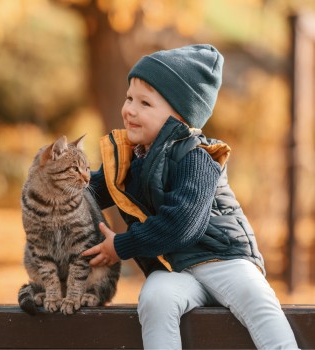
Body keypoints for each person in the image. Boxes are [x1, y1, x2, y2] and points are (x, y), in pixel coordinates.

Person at [82, 44, 299, 349]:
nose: (129, 109)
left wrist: (120, 246)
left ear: (180, 120)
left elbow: (182, 224)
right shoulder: (130, 160)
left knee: (256, 297)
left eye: (145, 103)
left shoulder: (196, 159)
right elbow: (91, 191)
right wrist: (53, 187)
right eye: (129, 98)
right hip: (177, 271)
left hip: (224, 260)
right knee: (156, 297)